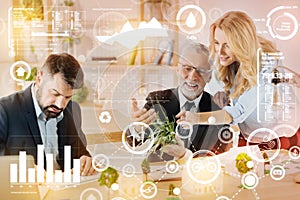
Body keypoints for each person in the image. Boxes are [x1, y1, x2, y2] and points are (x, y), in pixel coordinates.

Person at [176, 11, 299, 144]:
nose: (220, 51)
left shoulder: (264, 69)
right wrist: (228, 96)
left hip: (280, 139)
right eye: (217, 42)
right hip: (250, 135)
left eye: (228, 45)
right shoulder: (232, 61)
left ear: (242, 43)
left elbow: (237, 112)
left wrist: (195, 118)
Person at [131, 42, 231, 160]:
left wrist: (184, 156)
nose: (193, 76)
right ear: (178, 69)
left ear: (209, 76)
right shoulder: (157, 100)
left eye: (201, 71)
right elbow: (135, 145)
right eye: (187, 68)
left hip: (199, 175)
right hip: (159, 175)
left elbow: (218, 157)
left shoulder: (217, 109)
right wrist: (137, 130)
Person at [0, 53, 95, 176]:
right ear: (39, 79)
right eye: (55, 94)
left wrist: (86, 161)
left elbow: (80, 153)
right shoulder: (5, 110)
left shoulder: (73, 109)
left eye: (67, 97)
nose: (60, 105)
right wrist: (21, 170)